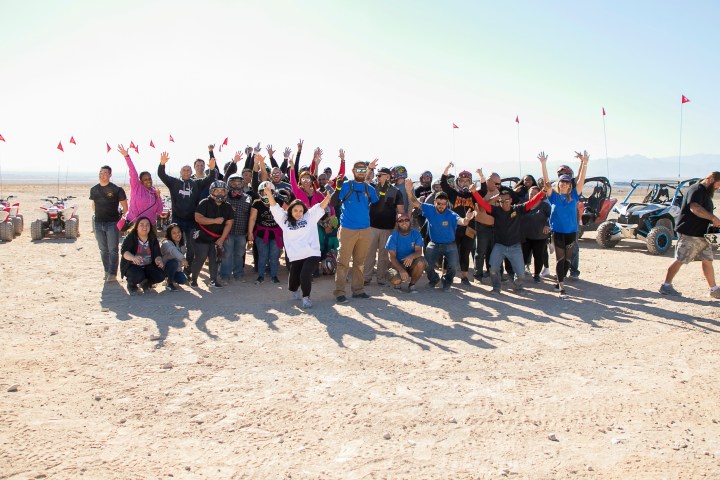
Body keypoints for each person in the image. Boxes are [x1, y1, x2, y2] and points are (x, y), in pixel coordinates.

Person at [471, 177, 546, 293]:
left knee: (521, 274)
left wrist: (543, 192)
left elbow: (532, 202)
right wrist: (474, 192)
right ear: (499, 201)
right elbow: (483, 205)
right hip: (499, 246)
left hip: (515, 247)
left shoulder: (518, 209)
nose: (504, 203)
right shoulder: (496, 211)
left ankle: (517, 286)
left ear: (511, 200)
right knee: (493, 269)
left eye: (506, 200)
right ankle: (496, 287)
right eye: (501, 201)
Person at [267, 183, 332, 307]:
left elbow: (319, 207)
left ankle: (306, 298)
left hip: (312, 253)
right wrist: (269, 194)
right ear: (290, 210)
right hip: (295, 255)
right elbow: (274, 207)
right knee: (293, 280)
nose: (298, 213)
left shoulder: (309, 217)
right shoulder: (284, 220)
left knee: (305, 274)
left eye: (301, 210)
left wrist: (327, 198)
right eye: (295, 210)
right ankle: (294, 290)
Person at [405, 179, 475, 291]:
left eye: (443, 204)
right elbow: (414, 202)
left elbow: (462, 222)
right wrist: (408, 190)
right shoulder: (429, 209)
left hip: (450, 244)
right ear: (434, 203)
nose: (441, 206)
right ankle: (434, 279)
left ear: (447, 204)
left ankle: (447, 281)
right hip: (434, 244)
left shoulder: (451, 214)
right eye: (439, 203)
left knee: (453, 266)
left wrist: (467, 219)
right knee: (426, 264)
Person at [660, 172, 720, 298]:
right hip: (690, 232)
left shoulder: (704, 192)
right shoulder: (696, 189)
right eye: (717, 185)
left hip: (702, 234)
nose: (717, 188)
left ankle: (714, 289)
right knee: (680, 259)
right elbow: (695, 208)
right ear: (711, 179)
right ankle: (666, 285)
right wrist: (713, 217)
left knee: (707, 260)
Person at [539, 150, 589, 299]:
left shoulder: (574, 195)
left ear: (569, 185)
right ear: (559, 183)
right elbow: (547, 183)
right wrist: (543, 164)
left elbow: (581, 179)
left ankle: (559, 280)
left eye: (567, 182)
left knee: (567, 260)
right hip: (558, 232)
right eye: (562, 181)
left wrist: (584, 163)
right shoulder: (553, 196)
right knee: (560, 260)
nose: (564, 184)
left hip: (571, 232)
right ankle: (561, 288)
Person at [330, 158, 380, 303]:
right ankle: (339, 292)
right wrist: (338, 188)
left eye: (363, 170)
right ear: (353, 171)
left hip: (364, 230)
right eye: (358, 170)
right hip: (347, 229)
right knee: (343, 262)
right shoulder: (345, 186)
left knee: (360, 262)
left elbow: (377, 205)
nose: (361, 172)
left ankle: (358, 290)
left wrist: (383, 191)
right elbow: (333, 203)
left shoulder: (369, 189)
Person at [157, 151, 217, 272]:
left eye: (188, 170)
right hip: (177, 220)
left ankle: (187, 271)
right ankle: (171, 269)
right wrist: (162, 164)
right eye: (184, 170)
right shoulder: (174, 183)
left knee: (191, 248)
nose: (186, 172)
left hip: (191, 221)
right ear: (180, 172)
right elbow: (161, 175)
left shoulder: (196, 183)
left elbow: (210, 178)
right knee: (173, 245)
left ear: (191, 172)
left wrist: (211, 168)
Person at [364, 166, 405, 285]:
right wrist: (370, 168)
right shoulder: (372, 188)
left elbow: (400, 211)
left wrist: (398, 227)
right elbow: (365, 181)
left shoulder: (396, 192)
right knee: (369, 253)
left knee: (384, 255)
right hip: (371, 227)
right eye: (376, 175)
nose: (377, 177)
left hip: (388, 228)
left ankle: (381, 278)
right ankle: (366, 277)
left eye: (379, 175)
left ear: (388, 176)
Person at [191, 180, 234, 288]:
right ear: (212, 191)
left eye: (222, 190)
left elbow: (229, 223)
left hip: (216, 237)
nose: (220, 193)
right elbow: (198, 218)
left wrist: (222, 239)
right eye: (217, 190)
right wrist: (214, 220)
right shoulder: (204, 202)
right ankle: (194, 279)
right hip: (201, 235)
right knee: (201, 257)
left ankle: (213, 280)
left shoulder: (227, 206)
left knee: (214, 258)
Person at [440, 163, 478, 285]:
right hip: (454, 227)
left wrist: (481, 177)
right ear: (458, 181)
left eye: (467, 181)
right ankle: (444, 274)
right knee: (450, 250)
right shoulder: (453, 194)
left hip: (470, 227)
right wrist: (446, 170)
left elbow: (482, 192)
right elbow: (443, 184)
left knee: (465, 252)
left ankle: (464, 276)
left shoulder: (474, 195)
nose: (464, 183)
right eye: (462, 181)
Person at [90, 165, 128, 282]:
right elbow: (93, 206)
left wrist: (122, 221)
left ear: (110, 175)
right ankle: (106, 271)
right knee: (103, 249)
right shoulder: (94, 189)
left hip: (112, 223)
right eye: (101, 172)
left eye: (105, 173)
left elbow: (125, 208)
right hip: (98, 223)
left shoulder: (117, 190)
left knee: (113, 249)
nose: (102, 175)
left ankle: (112, 273)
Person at [248, 180, 286, 284]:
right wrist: (250, 232)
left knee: (275, 255)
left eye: (268, 191)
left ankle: (274, 276)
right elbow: (252, 218)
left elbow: (287, 215)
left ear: (274, 192)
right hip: (261, 233)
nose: (266, 194)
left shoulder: (279, 201)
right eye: (263, 192)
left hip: (276, 233)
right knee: (263, 255)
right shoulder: (257, 203)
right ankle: (261, 276)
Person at [218, 174, 254, 282]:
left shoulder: (247, 198)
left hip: (241, 232)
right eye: (234, 183)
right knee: (227, 254)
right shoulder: (224, 198)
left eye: (239, 183)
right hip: (227, 232)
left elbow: (250, 216)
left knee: (239, 254)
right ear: (229, 184)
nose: (237, 185)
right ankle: (225, 275)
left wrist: (249, 232)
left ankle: (238, 274)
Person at [117, 145, 163, 227]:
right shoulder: (137, 188)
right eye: (145, 179)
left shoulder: (154, 192)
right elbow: (133, 172)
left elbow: (159, 211)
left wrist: (158, 197)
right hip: (135, 225)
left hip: (150, 226)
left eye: (149, 178)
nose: (148, 181)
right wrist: (127, 156)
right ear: (140, 181)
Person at [120, 216, 165, 295]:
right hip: (133, 266)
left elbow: (157, 253)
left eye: (147, 225)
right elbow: (124, 252)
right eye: (141, 224)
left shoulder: (152, 238)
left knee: (160, 276)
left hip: (148, 265)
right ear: (136, 227)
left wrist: (158, 260)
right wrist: (133, 258)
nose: (145, 226)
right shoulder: (130, 237)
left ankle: (146, 282)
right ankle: (131, 284)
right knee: (137, 275)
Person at [472, 171, 502, 281]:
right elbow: (481, 207)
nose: (497, 186)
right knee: (480, 251)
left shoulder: (499, 192)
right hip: (482, 226)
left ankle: (493, 272)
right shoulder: (481, 192)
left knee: (495, 251)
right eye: (495, 183)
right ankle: (477, 274)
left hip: (495, 226)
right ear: (488, 181)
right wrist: (493, 199)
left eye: (499, 184)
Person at [387, 212, 427, 293]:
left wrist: (411, 256)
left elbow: (419, 252)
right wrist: (401, 269)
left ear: (410, 221)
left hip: (412, 263)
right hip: (398, 264)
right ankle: (397, 285)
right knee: (395, 279)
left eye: (406, 220)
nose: (404, 222)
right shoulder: (393, 237)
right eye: (400, 221)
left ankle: (412, 285)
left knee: (421, 262)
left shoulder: (416, 234)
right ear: (397, 223)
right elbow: (392, 257)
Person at [521, 186, 551, 282]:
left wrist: (547, 225)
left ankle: (537, 275)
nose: (533, 195)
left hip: (540, 236)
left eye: (535, 194)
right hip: (525, 236)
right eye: (531, 194)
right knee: (523, 256)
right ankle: (520, 275)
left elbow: (553, 217)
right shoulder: (524, 206)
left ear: (540, 195)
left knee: (538, 256)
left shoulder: (545, 206)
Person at [161, 223, 189, 291]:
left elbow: (179, 262)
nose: (177, 234)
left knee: (183, 280)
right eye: (174, 233)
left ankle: (171, 277)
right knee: (173, 263)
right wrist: (182, 259)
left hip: (175, 269)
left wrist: (181, 266)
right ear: (169, 234)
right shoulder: (166, 243)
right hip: (163, 269)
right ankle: (169, 283)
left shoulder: (182, 245)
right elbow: (173, 250)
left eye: (179, 232)